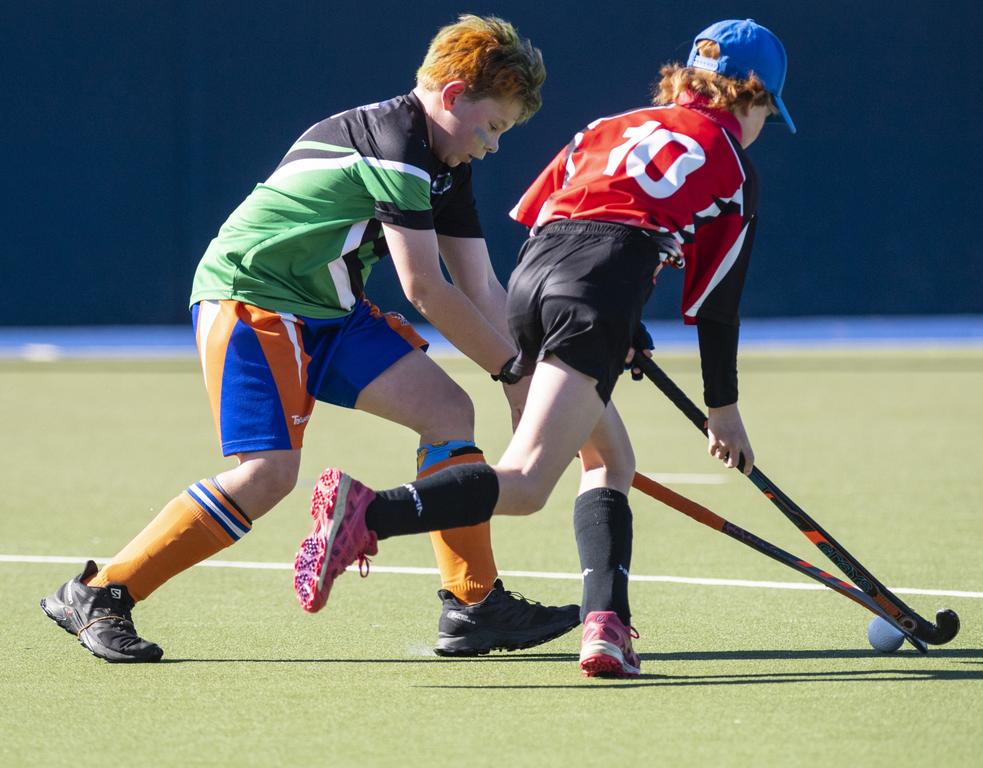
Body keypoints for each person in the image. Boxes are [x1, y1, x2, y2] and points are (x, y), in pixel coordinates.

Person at [40, 14, 582, 663]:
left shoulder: (446, 165)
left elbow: (482, 289)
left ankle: (473, 605)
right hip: (251, 299)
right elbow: (427, 290)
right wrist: (515, 376)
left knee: (447, 412)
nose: (493, 145)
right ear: (454, 95)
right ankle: (102, 592)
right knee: (269, 475)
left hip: (328, 309)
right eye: (492, 126)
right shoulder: (395, 141)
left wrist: (537, 377)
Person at [291, 18, 796, 678]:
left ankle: (606, 626)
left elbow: (549, 214)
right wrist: (721, 409)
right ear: (749, 96)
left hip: (532, 281)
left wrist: (618, 326)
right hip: (596, 295)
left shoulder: (610, 126)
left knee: (610, 457)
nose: (762, 125)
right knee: (527, 483)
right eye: (766, 111)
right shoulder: (733, 164)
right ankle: (368, 514)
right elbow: (715, 305)